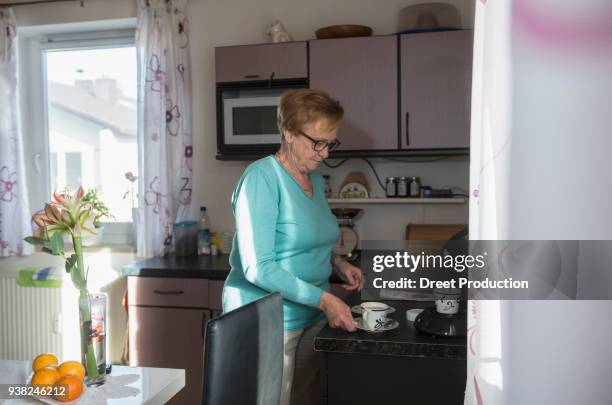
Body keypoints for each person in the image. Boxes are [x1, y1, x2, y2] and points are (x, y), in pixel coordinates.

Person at [222, 89, 364, 405]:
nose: (326, 153)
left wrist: (338, 263)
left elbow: (307, 241)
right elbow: (259, 266)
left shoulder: (313, 181)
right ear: (288, 132)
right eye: (318, 143)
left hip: (309, 319)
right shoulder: (261, 178)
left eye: (331, 143)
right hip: (270, 323)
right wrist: (326, 300)